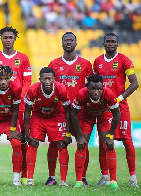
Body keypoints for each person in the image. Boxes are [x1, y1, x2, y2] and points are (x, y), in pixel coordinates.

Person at [0, 26, 31, 185]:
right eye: (5, 37)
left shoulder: (23, 58)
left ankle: (23, 175)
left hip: (18, 106)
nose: (8, 40)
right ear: (1, 39)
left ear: (14, 39)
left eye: (10, 37)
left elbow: (27, 82)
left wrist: (19, 97)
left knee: (21, 141)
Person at [93, 33, 139, 187]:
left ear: (117, 44)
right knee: (103, 141)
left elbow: (134, 84)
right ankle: (105, 177)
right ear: (104, 43)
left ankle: (133, 178)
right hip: (104, 109)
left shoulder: (124, 60)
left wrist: (119, 98)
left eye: (113, 42)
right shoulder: (97, 62)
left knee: (127, 140)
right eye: (108, 41)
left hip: (121, 106)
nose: (110, 44)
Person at [48, 32, 93, 186]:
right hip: (60, 112)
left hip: (81, 112)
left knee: (83, 144)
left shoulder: (86, 64)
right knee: (57, 143)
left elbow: (91, 87)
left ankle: (83, 177)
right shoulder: (53, 64)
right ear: (62, 43)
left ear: (76, 43)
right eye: (65, 40)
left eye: (71, 40)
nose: (68, 42)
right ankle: (53, 177)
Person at [72, 74, 121, 188]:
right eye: (93, 88)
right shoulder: (81, 94)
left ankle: (113, 181)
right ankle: (79, 181)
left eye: (99, 89)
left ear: (102, 88)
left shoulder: (108, 93)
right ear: (88, 88)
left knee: (108, 144)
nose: (96, 92)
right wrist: (80, 135)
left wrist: (110, 135)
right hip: (86, 116)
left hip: (104, 115)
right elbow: (74, 114)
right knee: (82, 145)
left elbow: (117, 114)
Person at [24, 67, 71, 186]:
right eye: (44, 79)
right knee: (33, 143)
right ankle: (30, 180)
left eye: (50, 79)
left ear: (54, 79)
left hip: (56, 116)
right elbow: (27, 111)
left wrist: (68, 133)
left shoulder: (61, 89)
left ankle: (63, 180)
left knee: (61, 144)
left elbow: (68, 111)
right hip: (38, 117)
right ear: (40, 79)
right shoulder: (33, 89)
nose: (47, 82)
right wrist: (26, 131)